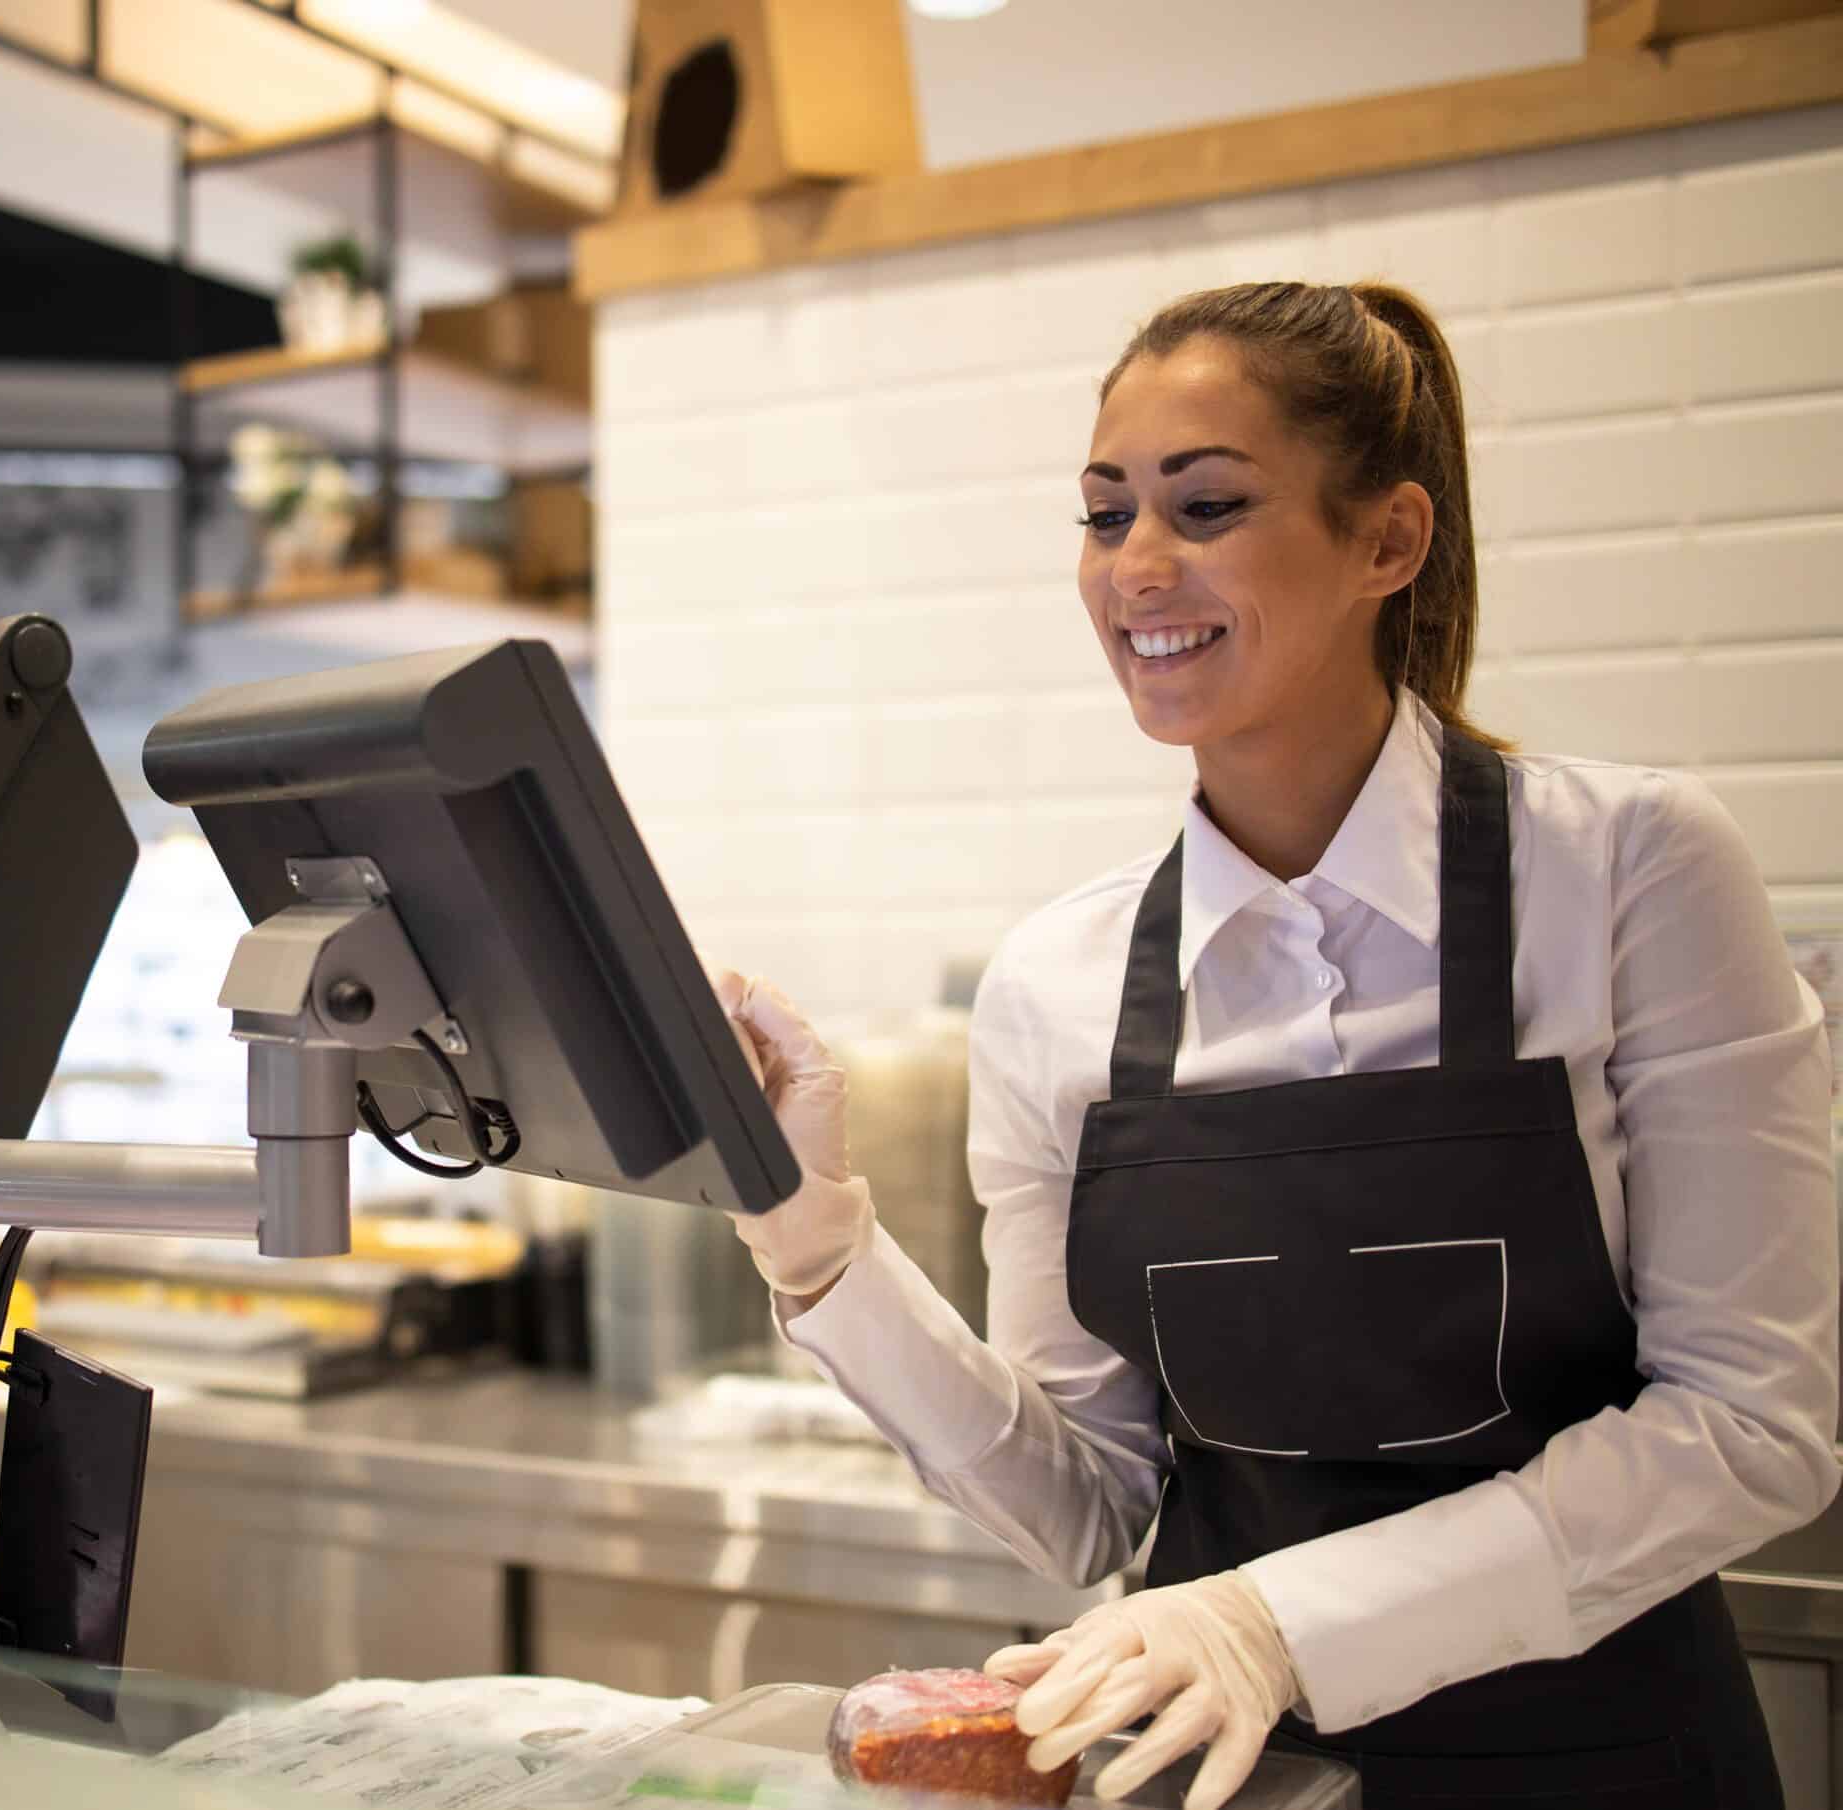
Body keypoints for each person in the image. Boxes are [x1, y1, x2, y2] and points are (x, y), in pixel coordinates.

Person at [714, 280, 1838, 1810]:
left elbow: (1753, 1424)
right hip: (1236, 1784)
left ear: (1389, 541)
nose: (1137, 567)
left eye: (1209, 504)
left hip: (1610, 1763)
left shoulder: (1631, 869)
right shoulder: (1058, 982)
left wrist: (1276, 1619)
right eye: (1105, 516)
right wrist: (819, 1246)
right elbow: (1087, 1502)